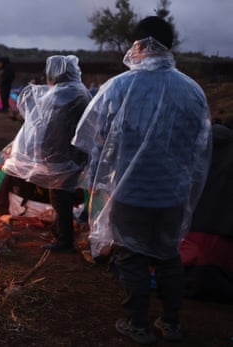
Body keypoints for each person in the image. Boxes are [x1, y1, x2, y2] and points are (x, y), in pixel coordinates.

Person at [72, 16, 212, 344]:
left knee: (131, 256)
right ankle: (171, 322)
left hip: (130, 193)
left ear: (137, 46)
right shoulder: (192, 90)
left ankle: (139, 324)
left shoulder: (119, 87)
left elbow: (89, 138)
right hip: (173, 194)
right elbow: (199, 146)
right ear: (169, 45)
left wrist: (95, 181)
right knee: (168, 254)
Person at [3, 55, 92, 252]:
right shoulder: (81, 91)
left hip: (59, 156)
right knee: (65, 195)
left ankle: (65, 240)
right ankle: (61, 231)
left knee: (60, 198)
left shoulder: (58, 96)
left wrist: (34, 152)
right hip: (76, 154)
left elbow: (42, 128)